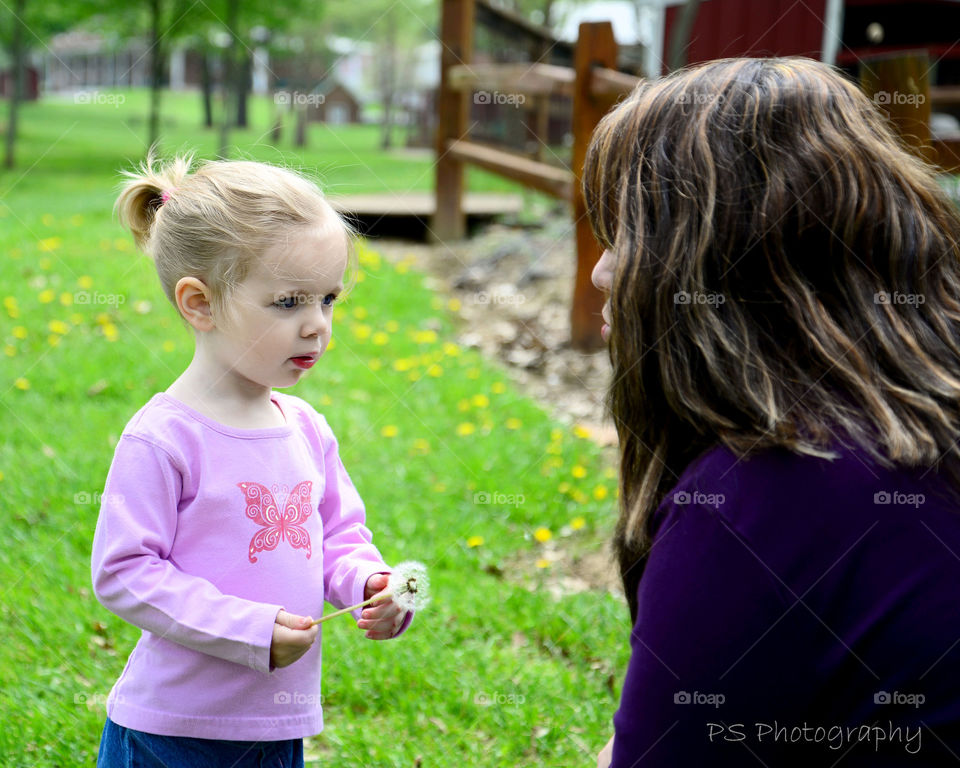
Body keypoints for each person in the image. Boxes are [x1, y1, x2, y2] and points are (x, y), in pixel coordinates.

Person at [584, 57, 960, 766]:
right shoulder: (918, 421)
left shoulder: (761, 491)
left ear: (718, 261)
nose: (602, 272)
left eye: (630, 231)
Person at [91, 152, 413, 767]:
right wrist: (249, 629)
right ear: (200, 304)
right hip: (175, 731)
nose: (317, 326)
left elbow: (339, 534)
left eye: (328, 299)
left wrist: (369, 582)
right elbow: (124, 570)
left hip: (275, 725)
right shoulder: (164, 438)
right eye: (289, 302)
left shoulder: (307, 431)